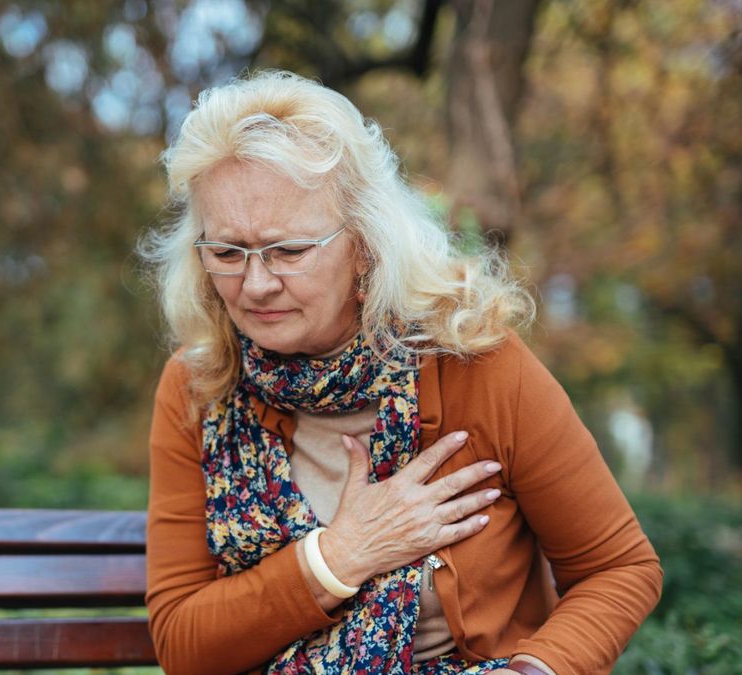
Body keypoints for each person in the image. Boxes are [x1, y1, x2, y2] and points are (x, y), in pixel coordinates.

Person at [138, 70, 662, 675]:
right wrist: (340, 555)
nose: (255, 284)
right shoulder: (199, 386)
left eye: (289, 251)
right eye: (227, 253)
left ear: (365, 242)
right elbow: (181, 644)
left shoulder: (476, 363)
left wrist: (535, 671)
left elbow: (620, 568)